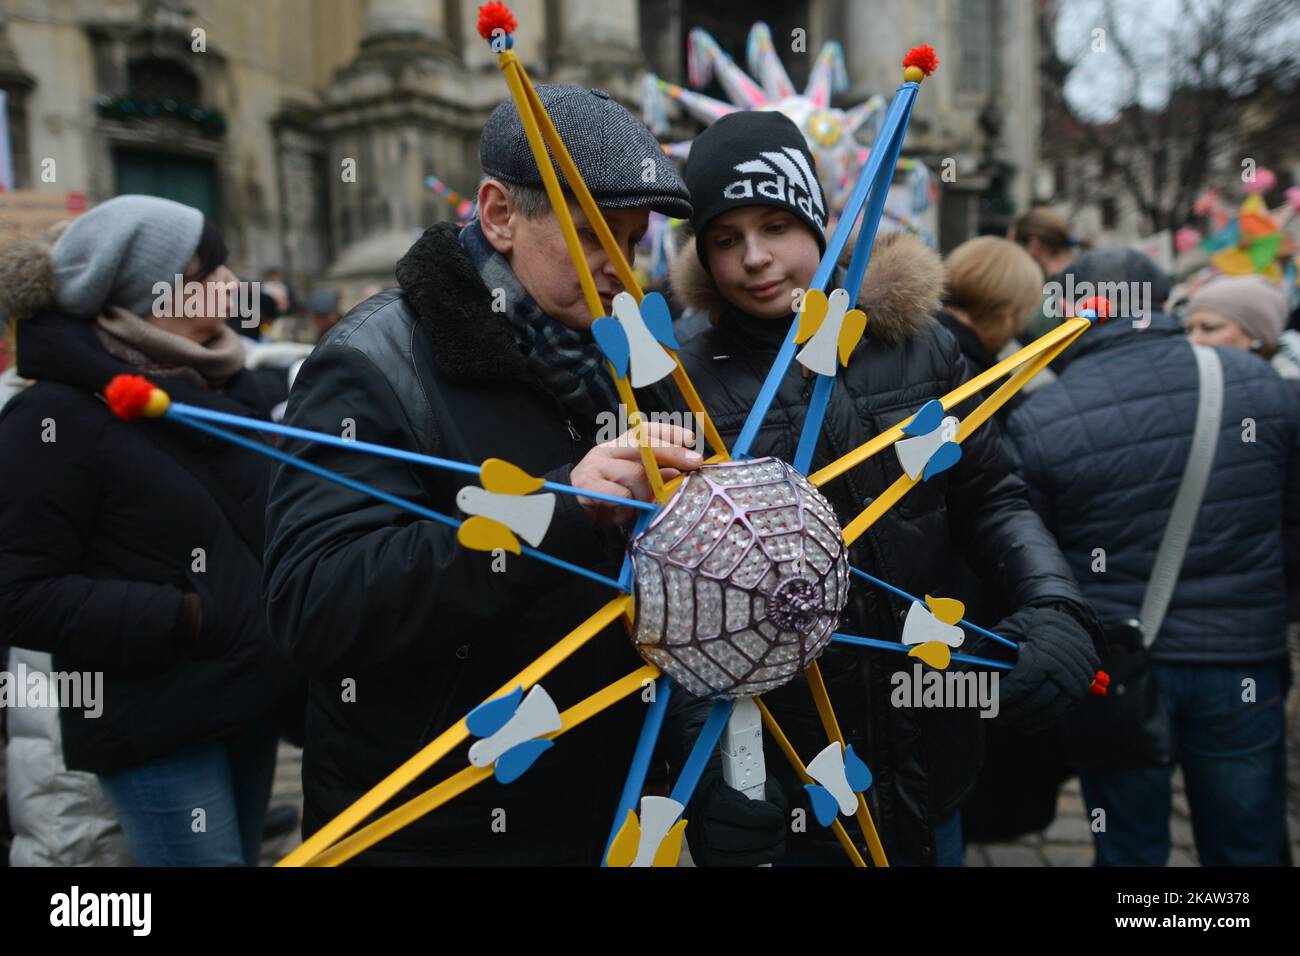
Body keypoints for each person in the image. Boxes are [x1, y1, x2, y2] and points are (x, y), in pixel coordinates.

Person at [262, 85, 703, 865]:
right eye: (595, 236)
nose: (621, 272)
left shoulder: (626, 353)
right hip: (435, 825)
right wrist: (558, 510)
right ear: (499, 214)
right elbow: (316, 604)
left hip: (602, 803)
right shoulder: (373, 361)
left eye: (634, 243)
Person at [662, 110, 1103, 865]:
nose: (756, 259)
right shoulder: (681, 383)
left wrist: (1053, 601)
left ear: (820, 222)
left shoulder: (919, 342)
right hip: (789, 763)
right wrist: (709, 774)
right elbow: (676, 593)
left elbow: (991, 496)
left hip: (929, 740)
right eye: (726, 239)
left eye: (776, 225)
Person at [0, 195, 298, 866]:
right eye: (204, 274)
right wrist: (184, 618)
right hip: (156, 721)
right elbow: (18, 592)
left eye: (225, 266)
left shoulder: (227, 389)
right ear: (140, 295)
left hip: (249, 699)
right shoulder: (52, 416)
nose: (231, 287)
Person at [1004, 248, 1300, 866]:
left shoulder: (1042, 415)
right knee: (1248, 845)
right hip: (1241, 656)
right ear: (1163, 302)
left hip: (1118, 666)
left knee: (1129, 851)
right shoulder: (1258, 383)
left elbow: (1033, 558)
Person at [1185, 274, 1300, 384]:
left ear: (1254, 334)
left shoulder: (1288, 390)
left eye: (1209, 328)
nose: (1193, 340)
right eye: (1190, 330)